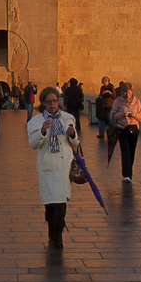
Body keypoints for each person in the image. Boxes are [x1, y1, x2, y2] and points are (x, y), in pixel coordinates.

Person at [27, 85, 81, 248]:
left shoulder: (68, 118)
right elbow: (33, 144)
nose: (52, 104)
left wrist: (72, 134)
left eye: (55, 101)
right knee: (51, 204)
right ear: (43, 102)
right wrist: (42, 131)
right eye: (49, 101)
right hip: (48, 167)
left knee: (60, 205)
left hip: (64, 166)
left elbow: (75, 143)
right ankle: (53, 230)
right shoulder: (36, 121)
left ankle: (57, 236)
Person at [108, 80, 141, 182]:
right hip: (122, 128)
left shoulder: (137, 102)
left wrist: (133, 114)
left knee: (132, 152)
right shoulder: (118, 101)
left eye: (128, 92)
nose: (127, 95)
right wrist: (122, 115)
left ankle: (128, 171)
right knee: (125, 151)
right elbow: (112, 116)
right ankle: (126, 175)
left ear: (132, 92)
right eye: (125, 92)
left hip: (133, 128)